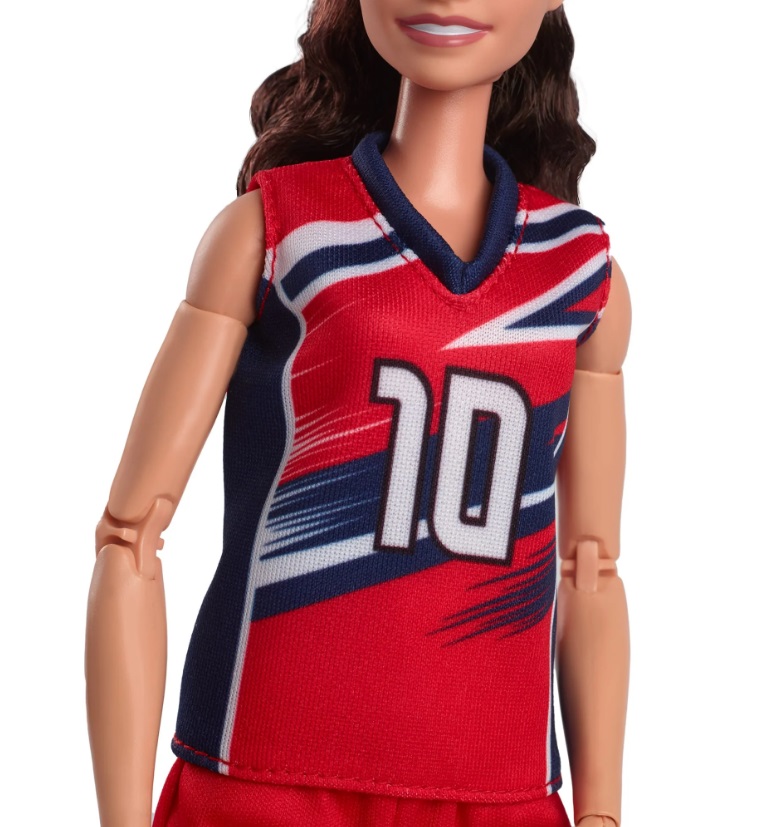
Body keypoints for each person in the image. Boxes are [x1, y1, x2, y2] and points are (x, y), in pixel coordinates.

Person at [86, 1, 631, 825]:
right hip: (263, 781)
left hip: (497, 789)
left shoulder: (578, 273)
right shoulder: (280, 233)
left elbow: (591, 567)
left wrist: (602, 810)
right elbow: (130, 535)